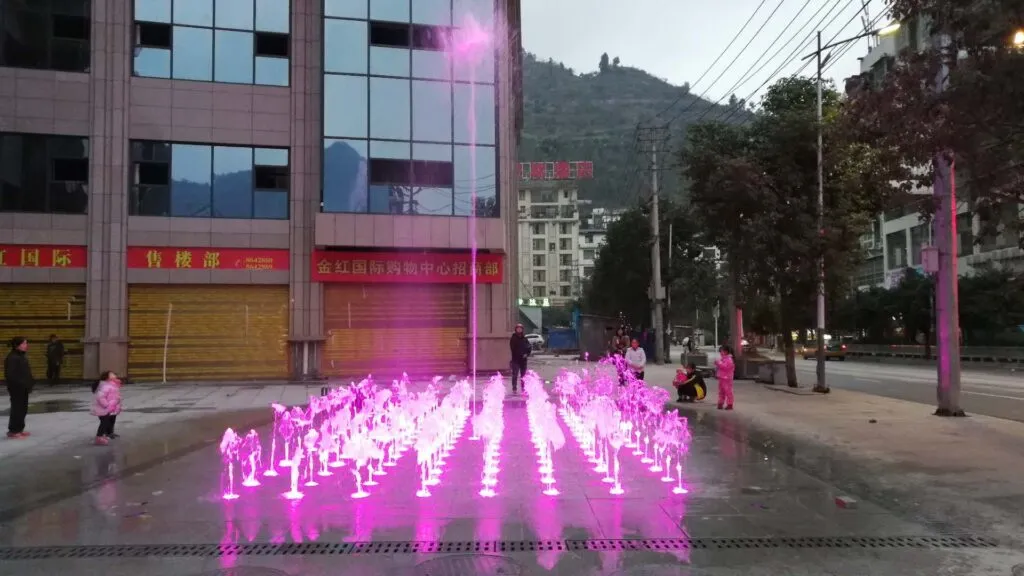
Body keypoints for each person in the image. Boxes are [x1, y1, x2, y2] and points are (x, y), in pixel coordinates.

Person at [4, 337, 34, 439]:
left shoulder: (21, 356)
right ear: (18, 345)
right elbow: (11, 375)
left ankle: (20, 429)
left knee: (23, 409)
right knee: (17, 409)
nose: (26, 345)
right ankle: (13, 431)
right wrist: (21, 384)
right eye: (24, 343)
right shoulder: (13, 357)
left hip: (23, 388)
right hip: (17, 388)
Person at [91, 370, 123, 445]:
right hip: (104, 408)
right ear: (107, 377)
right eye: (112, 374)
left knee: (111, 419)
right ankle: (100, 437)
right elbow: (100, 397)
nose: (114, 375)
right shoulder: (105, 385)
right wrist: (106, 405)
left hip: (111, 407)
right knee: (105, 422)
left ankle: (109, 433)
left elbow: (113, 395)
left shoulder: (113, 384)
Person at [509, 323, 531, 394]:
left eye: (520, 328)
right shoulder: (513, 338)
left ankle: (523, 388)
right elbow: (513, 349)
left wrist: (527, 354)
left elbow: (529, 347)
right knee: (515, 374)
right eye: (518, 328)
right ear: (516, 329)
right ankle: (514, 388)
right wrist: (521, 354)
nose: (519, 330)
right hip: (516, 360)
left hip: (523, 360)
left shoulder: (525, 338)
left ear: (522, 330)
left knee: (523, 375)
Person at [715, 344, 736, 410]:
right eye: (720, 351)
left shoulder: (729, 359)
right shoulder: (723, 358)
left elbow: (725, 367)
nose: (721, 353)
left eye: (722, 351)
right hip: (722, 377)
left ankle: (730, 404)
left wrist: (718, 363)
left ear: (726, 352)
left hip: (727, 378)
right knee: (721, 391)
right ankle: (720, 403)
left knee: (728, 391)